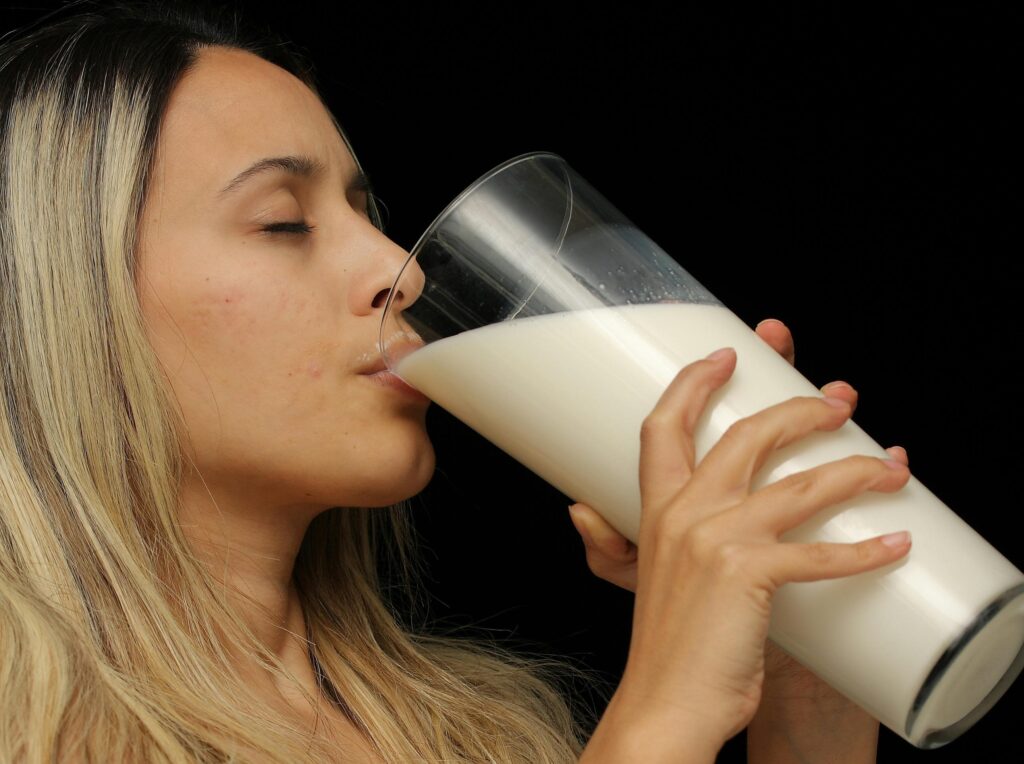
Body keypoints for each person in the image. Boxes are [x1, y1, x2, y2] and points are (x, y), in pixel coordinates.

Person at [0, 1, 912, 761]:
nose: (402, 269)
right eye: (283, 221)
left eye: (366, 213)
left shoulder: (484, 733)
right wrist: (663, 720)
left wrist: (807, 655)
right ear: (70, 302)